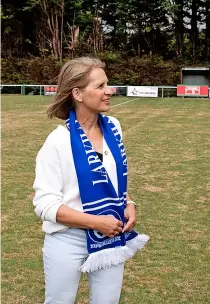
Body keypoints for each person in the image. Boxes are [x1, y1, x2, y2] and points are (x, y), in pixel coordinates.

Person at [33, 57, 149, 304]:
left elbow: (111, 179)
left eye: (107, 84)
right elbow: (45, 205)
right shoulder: (57, 141)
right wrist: (96, 222)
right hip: (67, 239)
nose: (109, 91)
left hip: (110, 236)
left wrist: (128, 202)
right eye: (100, 86)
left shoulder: (114, 127)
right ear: (78, 93)